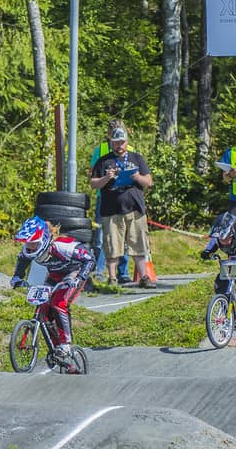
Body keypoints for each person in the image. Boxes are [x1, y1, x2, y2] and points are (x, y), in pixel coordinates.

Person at [9, 217, 94, 372]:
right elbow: (22, 261)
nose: (29, 247)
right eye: (27, 243)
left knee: (58, 303)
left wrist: (80, 277)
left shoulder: (63, 246)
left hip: (73, 274)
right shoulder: (27, 250)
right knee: (44, 309)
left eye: (33, 243)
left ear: (43, 239)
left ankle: (66, 344)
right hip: (54, 276)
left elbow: (89, 259)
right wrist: (16, 278)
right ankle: (57, 350)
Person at [89, 125, 156, 288]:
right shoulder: (103, 161)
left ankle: (144, 276)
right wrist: (106, 178)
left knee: (138, 243)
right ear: (111, 143)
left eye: (122, 142)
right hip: (111, 210)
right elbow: (93, 184)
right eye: (116, 143)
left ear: (127, 142)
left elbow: (149, 181)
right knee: (112, 244)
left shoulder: (137, 158)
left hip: (135, 209)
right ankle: (112, 278)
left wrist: (137, 177)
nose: (119, 146)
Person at [88, 125, 132, 286]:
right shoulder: (100, 150)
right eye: (112, 132)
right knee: (102, 236)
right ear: (108, 134)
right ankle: (99, 271)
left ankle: (123, 272)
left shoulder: (130, 149)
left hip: (125, 198)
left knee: (124, 236)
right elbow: (92, 172)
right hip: (105, 198)